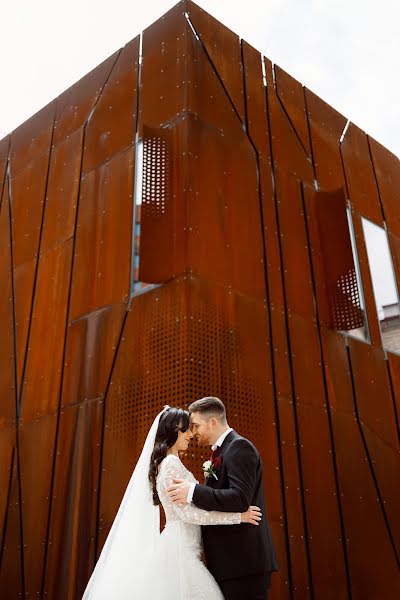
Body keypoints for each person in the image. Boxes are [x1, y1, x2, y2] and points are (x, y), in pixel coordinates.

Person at [81, 405, 261, 599]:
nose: (190, 435)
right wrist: (239, 516)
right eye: (185, 430)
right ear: (173, 431)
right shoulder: (171, 465)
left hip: (185, 546)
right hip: (180, 550)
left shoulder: (170, 464)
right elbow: (189, 514)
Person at [167, 396, 279, 600]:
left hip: (243, 563)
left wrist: (193, 491)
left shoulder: (239, 447)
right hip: (231, 564)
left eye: (196, 426)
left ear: (213, 422)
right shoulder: (224, 450)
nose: (193, 433)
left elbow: (239, 498)